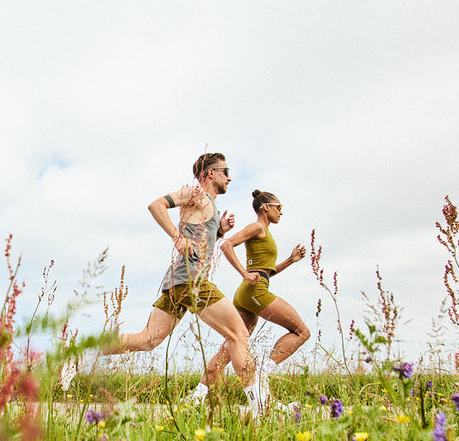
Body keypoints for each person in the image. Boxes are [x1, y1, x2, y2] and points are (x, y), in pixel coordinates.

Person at [61, 152, 263, 412]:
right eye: (225, 171)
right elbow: (156, 205)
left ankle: (80, 357)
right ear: (210, 173)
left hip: (178, 280)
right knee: (238, 334)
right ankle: (260, 407)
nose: (230, 177)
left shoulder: (207, 203)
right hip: (192, 278)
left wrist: (220, 229)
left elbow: (198, 233)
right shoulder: (195, 193)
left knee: (148, 340)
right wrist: (177, 238)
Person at [203, 190, 309, 405]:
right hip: (255, 291)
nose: (281, 212)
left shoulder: (264, 232)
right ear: (265, 207)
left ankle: (198, 394)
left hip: (249, 291)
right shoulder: (257, 227)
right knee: (301, 332)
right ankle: (261, 372)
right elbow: (226, 245)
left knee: (234, 343)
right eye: (279, 207)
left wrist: (290, 260)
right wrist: (243, 272)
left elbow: (265, 271)